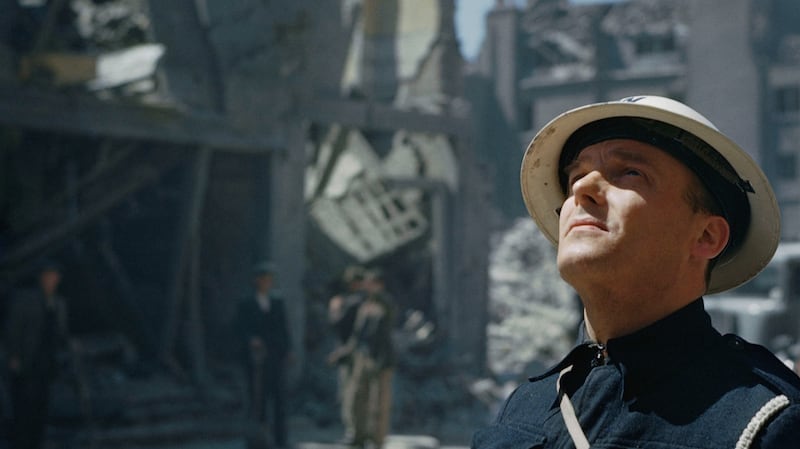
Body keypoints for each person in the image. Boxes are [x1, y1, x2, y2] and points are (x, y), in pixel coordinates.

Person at [472, 96, 800, 448]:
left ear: (706, 236)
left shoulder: (766, 421)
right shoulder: (525, 408)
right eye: (576, 176)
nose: (582, 188)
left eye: (630, 172)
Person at [4, 260, 71, 449]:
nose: (52, 280)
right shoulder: (25, 299)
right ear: (41, 278)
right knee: (24, 404)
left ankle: (35, 442)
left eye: (55, 276)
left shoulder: (59, 303)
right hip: (27, 359)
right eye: (48, 276)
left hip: (46, 362)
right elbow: (13, 329)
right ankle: (21, 442)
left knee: (41, 405)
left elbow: (60, 334)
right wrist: (14, 356)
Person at [332, 268, 396, 448]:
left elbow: (388, 314)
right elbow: (357, 334)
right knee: (355, 398)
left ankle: (377, 440)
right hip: (362, 357)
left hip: (380, 359)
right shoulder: (363, 306)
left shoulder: (384, 303)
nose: (366, 287)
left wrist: (377, 295)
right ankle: (358, 435)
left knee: (379, 404)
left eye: (371, 284)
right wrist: (345, 352)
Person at [234, 261, 291, 448]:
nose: (267, 282)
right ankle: (258, 440)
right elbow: (239, 328)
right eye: (264, 279)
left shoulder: (277, 302)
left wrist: (288, 350)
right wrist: (250, 339)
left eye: (270, 279)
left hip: (275, 357)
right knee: (257, 399)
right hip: (255, 360)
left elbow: (284, 329)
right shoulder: (246, 303)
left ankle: (280, 440)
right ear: (256, 281)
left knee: (279, 399)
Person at [327, 265, 367, 443]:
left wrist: (335, 309)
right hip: (359, 352)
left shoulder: (354, 303)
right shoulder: (365, 301)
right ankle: (358, 431)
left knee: (350, 393)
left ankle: (354, 431)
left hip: (352, 353)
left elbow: (339, 325)